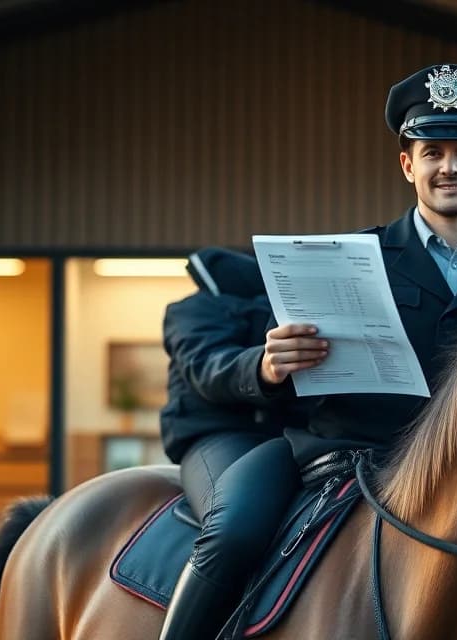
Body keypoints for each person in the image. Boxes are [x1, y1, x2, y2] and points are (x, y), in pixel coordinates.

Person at [229, 63, 457, 637]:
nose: (449, 167)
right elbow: (246, 358)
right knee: (232, 534)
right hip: (345, 469)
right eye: (432, 152)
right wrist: (268, 364)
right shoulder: (343, 258)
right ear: (409, 165)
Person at [156, 247, 307, 640]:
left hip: (298, 441)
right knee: (235, 528)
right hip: (217, 438)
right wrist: (263, 367)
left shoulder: (303, 313)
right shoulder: (192, 312)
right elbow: (207, 369)